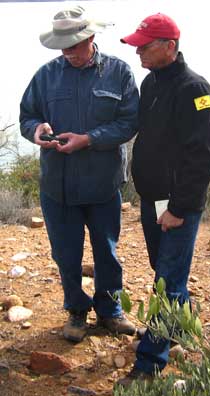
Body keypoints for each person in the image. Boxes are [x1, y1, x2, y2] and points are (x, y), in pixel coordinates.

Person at [19, 5, 139, 343]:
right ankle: (76, 309)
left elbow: (129, 123)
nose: (66, 52)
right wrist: (37, 130)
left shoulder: (119, 72)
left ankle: (111, 310)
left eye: (72, 45)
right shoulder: (45, 75)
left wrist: (89, 139)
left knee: (107, 251)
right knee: (66, 254)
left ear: (90, 37)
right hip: (57, 187)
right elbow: (27, 116)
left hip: (103, 185)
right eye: (62, 46)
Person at [117, 13, 210, 386]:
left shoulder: (194, 88)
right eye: (137, 45)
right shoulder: (151, 82)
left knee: (167, 282)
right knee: (165, 271)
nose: (138, 52)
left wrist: (179, 207)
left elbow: (203, 154)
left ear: (169, 47)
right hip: (153, 199)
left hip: (177, 204)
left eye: (145, 45)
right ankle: (178, 332)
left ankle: (149, 366)